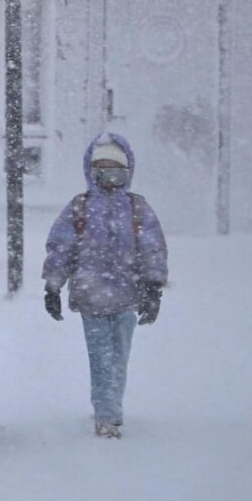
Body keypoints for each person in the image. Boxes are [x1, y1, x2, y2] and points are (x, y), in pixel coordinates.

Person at [42, 133, 168, 439]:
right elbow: (61, 248)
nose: (109, 175)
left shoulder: (137, 208)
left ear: (127, 171)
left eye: (116, 169)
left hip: (127, 296)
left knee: (119, 357)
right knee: (101, 358)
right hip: (91, 297)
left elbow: (152, 248)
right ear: (92, 171)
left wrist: (153, 288)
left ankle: (109, 405)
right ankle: (107, 416)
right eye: (102, 168)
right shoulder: (80, 207)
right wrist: (52, 286)